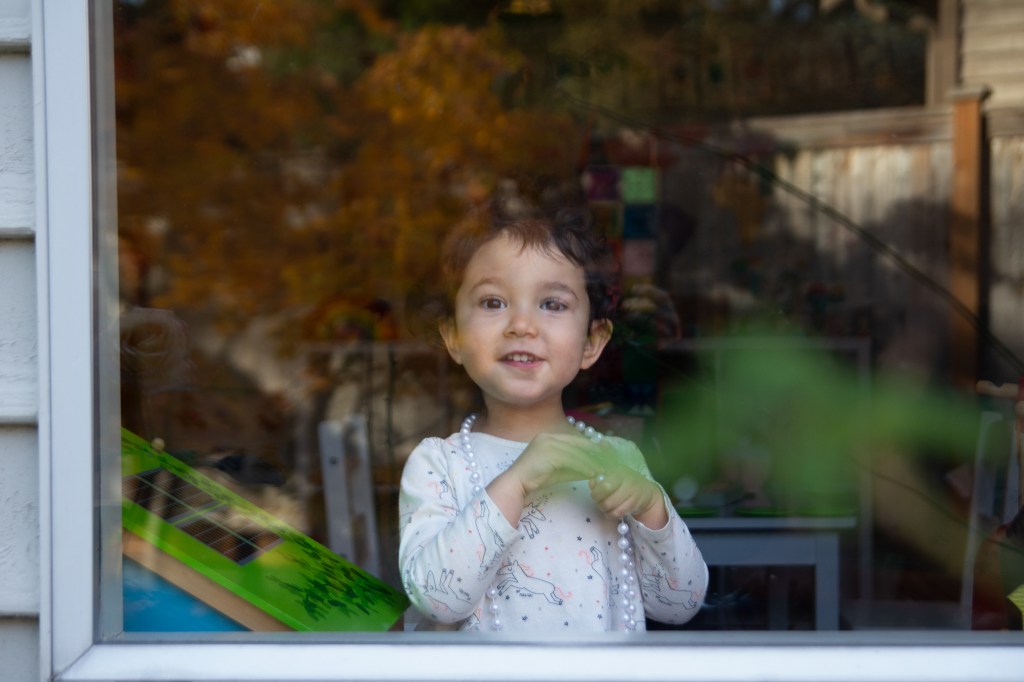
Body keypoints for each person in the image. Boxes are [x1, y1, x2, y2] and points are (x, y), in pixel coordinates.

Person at [398, 203, 707, 631]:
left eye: (552, 304)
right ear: (453, 337)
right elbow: (438, 601)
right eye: (493, 302)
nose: (522, 325)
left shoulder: (617, 458)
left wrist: (650, 506)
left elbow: (680, 604)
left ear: (592, 342)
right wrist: (517, 482)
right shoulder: (438, 465)